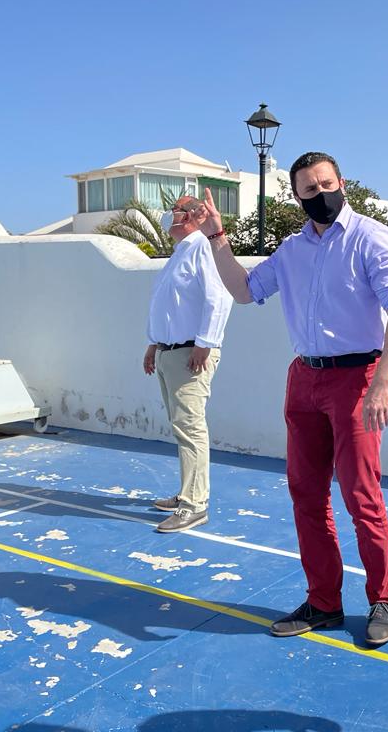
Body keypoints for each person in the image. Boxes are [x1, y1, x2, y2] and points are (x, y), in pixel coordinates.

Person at [197, 152, 388, 647]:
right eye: (309, 189)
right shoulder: (292, 250)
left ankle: (383, 599)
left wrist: (382, 381)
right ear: (296, 196)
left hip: (356, 378)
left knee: (362, 494)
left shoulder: (370, 238)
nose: (320, 194)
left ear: (342, 182)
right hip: (303, 380)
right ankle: (324, 602)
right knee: (306, 496)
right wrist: (216, 237)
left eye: (326, 183)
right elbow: (245, 291)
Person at [144, 195, 233, 533]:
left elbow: (219, 297)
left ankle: (195, 505)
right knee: (181, 426)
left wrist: (205, 343)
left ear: (193, 216)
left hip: (190, 353)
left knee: (190, 428)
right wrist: (153, 345)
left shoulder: (202, 248)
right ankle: (187, 495)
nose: (169, 216)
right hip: (171, 352)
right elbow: (166, 306)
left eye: (176, 211)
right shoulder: (180, 253)